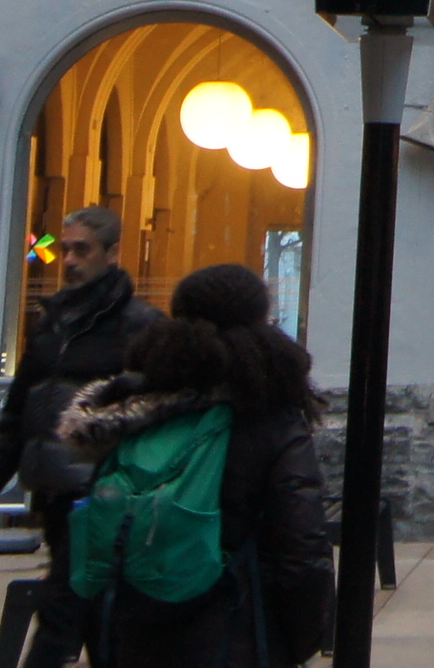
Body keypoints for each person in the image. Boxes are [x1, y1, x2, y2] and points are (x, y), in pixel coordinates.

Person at [52, 261, 332, 668]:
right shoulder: (269, 417)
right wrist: (296, 641)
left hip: (135, 634)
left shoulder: (135, 411)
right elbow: (302, 549)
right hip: (235, 633)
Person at [0, 205, 164, 668]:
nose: (68, 259)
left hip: (102, 502)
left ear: (112, 253)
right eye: (64, 249)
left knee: (60, 619)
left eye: (81, 249)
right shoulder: (51, 326)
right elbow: (16, 419)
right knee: (97, 628)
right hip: (53, 499)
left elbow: (155, 417)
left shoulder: (139, 327)